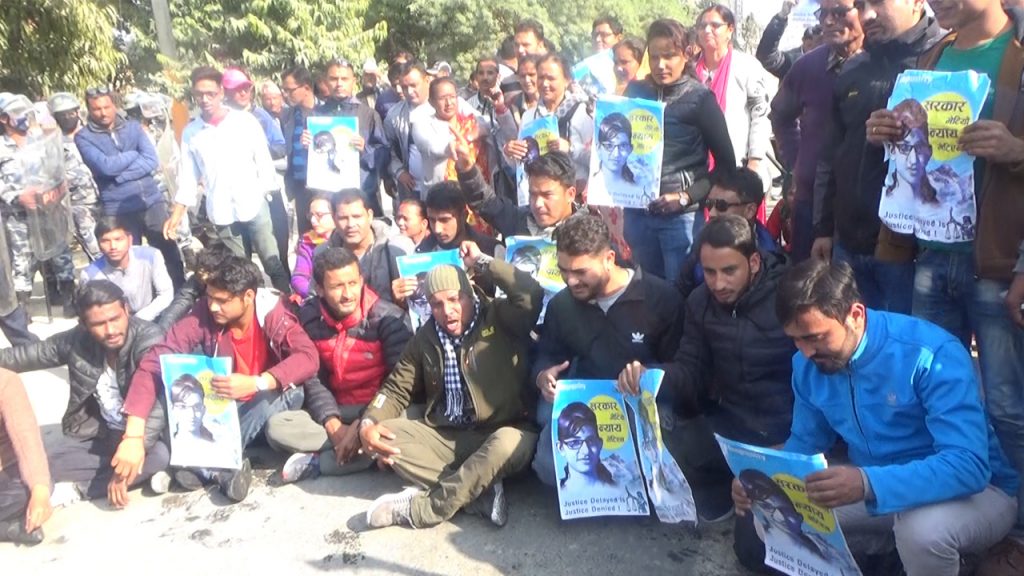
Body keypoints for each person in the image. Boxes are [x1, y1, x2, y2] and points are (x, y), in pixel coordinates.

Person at [732, 258, 1018, 575]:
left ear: (855, 315)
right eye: (795, 339)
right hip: (877, 488)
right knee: (771, 519)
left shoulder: (930, 353)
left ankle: (930, 555)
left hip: (977, 493)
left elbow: (969, 466)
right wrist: (760, 479)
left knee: (922, 534)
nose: (805, 351)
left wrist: (868, 483)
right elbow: (805, 444)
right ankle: (890, 554)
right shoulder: (808, 365)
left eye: (815, 337)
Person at [867, 3, 1024, 571]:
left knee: (1007, 404)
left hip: (997, 264)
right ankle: (950, 512)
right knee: (931, 392)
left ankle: (1016, 532)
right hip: (932, 255)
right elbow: (909, 155)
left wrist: (1018, 151)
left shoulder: (1017, 53)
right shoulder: (931, 59)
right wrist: (884, 131)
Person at [623, 213, 795, 529]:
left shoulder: (791, 296)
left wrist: (799, 441)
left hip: (790, 434)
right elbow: (691, 370)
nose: (718, 284)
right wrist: (652, 376)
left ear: (754, 262)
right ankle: (721, 488)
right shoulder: (700, 301)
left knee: (756, 544)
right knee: (657, 424)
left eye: (729, 271)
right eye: (710, 272)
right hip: (732, 427)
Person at [358, 243, 544, 529]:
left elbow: (530, 294)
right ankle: (479, 492)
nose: (448, 311)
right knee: (387, 434)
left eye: (455, 299)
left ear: (470, 294)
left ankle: (425, 509)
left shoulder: (499, 316)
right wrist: (368, 423)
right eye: (437, 304)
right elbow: (395, 389)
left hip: (508, 430)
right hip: (450, 434)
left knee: (505, 444)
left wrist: (482, 261)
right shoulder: (425, 338)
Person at [117, 256, 318, 502]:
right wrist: (133, 436)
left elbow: (308, 357)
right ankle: (214, 469)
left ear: (248, 296)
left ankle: (202, 466)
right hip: (226, 403)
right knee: (182, 400)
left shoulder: (274, 312)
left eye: (222, 301)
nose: (213, 307)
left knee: (277, 396)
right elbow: (155, 361)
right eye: (210, 297)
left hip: (269, 396)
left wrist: (256, 382)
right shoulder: (205, 312)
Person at [531, 214, 683, 486]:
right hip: (587, 407)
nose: (571, 281)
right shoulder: (561, 306)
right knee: (548, 467)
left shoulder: (660, 298)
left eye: (581, 272)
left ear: (609, 259)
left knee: (636, 470)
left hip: (642, 404)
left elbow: (684, 370)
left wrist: (649, 374)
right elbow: (548, 353)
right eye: (564, 270)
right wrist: (544, 375)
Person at [811, 0, 941, 313]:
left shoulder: (943, 61)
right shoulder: (853, 69)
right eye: (860, 4)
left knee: (906, 341)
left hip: (913, 252)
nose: (867, 14)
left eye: (878, 2)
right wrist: (823, 228)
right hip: (848, 244)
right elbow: (831, 156)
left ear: (916, 2)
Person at [0, 281, 170, 508]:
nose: (110, 330)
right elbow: (29, 354)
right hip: (101, 435)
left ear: (126, 310)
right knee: (36, 464)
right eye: (99, 324)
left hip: (144, 436)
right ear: (83, 324)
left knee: (160, 456)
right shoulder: (76, 340)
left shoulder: (149, 338)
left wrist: (132, 451)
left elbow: (156, 404)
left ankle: (77, 489)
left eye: (115, 319)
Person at [266, 247, 412, 482]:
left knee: (409, 421)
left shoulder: (387, 318)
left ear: (361, 280)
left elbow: (397, 383)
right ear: (319, 289)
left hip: (380, 408)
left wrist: (364, 424)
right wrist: (332, 424)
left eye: (353, 283)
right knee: (277, 426)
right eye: (337, 287)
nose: (347, 294)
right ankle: (365, 452)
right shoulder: (309, 318)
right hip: (339, 407)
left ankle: (320, 463)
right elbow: (313, 378)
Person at [623, 19, 736, 281]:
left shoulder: (700, 99)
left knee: (680, 292)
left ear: (686, 54)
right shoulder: (634, 93)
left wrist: (686, 196)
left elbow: (726, 164)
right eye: (654, 57)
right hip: (637, 215)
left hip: (680, 219)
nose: (660, 65)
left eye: (669, 56)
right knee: (648, 293)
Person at [164, 66, 291, 294]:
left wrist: (270, 200)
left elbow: (264, 163)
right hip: (222, 213)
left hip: (255, 205)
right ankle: (254, 309)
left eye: (210, 93)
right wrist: (177, 214)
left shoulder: (245, 122)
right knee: (242, 271)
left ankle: (289, 306)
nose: (205, 99)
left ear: (221, 92)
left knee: (273, 263)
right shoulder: (192, 132)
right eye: (199, 94)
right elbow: (188, 179)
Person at [769, 0, 864, 262]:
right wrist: (797, 159)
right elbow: (780, 115)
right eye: (823, 13)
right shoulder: (807, 66)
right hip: (811, 202)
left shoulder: (882, 64)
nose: (829, 21)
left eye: (839, 12)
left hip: (865, 209)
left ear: (865, 9)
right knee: (807, 282)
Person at [75, 87, 185, 291]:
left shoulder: (133, 128)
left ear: (114, 105)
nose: (103, 113)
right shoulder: (83, 137)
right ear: (89, 110)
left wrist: (119, 176)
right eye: (97, 109)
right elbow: (105, 167)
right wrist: (134, 155)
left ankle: (181, 294)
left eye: (107, 107)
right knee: (128, 260)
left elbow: (151, 160)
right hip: (118, 207)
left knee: (168, 251)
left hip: (151, 201)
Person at [1, 94, 79, 316]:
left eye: (27, 113)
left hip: (49, 209)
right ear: (4, 118)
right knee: (22, 261)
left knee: (61, 253)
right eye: (19, 114)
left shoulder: (42, 141)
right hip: (18, 215)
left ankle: (69, 299)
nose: (25, 118)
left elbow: (62, 166)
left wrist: (60, 186)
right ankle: (23, 308)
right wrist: (16, 196)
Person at [695, 4, 772, 202]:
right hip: (695, 172)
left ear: (730, 30)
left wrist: (754, 161)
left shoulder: (746, 66)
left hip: (737, 168)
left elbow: (761, 115)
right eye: (702, 26)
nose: (707, 30)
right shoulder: (689, 69)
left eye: (715, 25)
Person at [677, 167, 778, 299]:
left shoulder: (772, 258)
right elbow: (681, 290)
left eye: (721, 206)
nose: (711, 213)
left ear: (750, 210)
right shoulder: (703, 240)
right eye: (709, 204)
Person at [503, 54, 593, 190]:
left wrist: (571, 148)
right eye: (541, 77)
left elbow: (596, 160)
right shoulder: (529, 116)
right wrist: (510, 152)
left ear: (567, 80)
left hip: (574, 196)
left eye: (551, 78)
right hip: (538, 195)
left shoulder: (582, 113)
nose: (544, 84)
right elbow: (521, 166)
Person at [315, 59, 389, 218]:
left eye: (344, 79)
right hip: (328, 196)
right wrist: (308, 145)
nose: (339, 84)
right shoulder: (316, 115)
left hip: (362, 196)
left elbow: (384, 156)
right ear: (326, 81)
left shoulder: (368, 115)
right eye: (333, 79)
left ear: (354, 81)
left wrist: (365, 150)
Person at [459, 148, 579, 239]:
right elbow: (485, 203)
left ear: (570, 194)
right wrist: (467, 170)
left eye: (547, 195)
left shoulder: (585, 232)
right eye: (533, 195)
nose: (538, 204)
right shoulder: (519, 222)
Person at [318, 189, 411, 303]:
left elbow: (419, 303)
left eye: (357, 216)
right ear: (334, 219)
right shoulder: (323, 254)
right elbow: (314, 299)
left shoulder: (398, 248)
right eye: (343, 218)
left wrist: (402, 301)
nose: (351, 224)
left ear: (370, 216)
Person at [80, 216, 173, 323]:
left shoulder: (151, 256)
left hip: (154, 318)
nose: (113, 246)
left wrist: (139, 320)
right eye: (105, 241)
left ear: (130, 240)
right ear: (99, 244)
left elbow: (166, 294)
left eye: (118, 239)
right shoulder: (90, 275)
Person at [47, 92, 101, 262]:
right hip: (78, 204)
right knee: (96, 251)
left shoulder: (95, 133)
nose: (67, 117)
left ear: (78, 111)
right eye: (61, 115)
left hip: (106, 196)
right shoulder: (52, 144)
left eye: (70, 113)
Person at [0, 368, 51, 545]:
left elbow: (26, 438)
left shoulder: (5, 381)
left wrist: (39, 490)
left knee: (30, 492)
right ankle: (7, 530)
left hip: (4, 474)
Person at [281, 65, 321, 235]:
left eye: (290, 90)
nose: (285, 94)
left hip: (323, 187)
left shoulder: (326, 112)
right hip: (300, 186)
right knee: (306, 235)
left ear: (306, 88)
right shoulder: (287, 116)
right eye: (284, 90)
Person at [384, 62, 432, 201]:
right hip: (411, 190)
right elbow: (386, 147)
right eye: (404, 87)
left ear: (427, 80)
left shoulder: (444, 106)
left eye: (413, 85)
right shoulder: (394, 115)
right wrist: (398, 171)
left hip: (442, 186)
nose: (409, 92)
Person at [556, 402, 618, 496]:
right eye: (575, 443)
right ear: (561, 448)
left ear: (600, 444)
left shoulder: (618, 490)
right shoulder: (559, 493)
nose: (585, 451)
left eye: (591, 441)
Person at [589, 113, 651, 204]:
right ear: (598, 148)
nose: (616, 154)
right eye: (609, 146)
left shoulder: (639, 189)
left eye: (623, 146)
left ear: (630, 149)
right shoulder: (591, 186)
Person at [756, 0, 821, 80]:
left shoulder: (833, 63)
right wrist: (781, 17)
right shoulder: (792, 62)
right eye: (810, 45)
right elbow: (766, 56)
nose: (812, 50)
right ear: (803, 41)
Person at [291, 192, 336, 298]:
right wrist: (320, 295)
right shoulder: (307, 242)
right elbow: (299, 278)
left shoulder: (347, 239)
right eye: (311, 215)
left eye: (319, 215)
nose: (313, 220)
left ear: (335, 214)